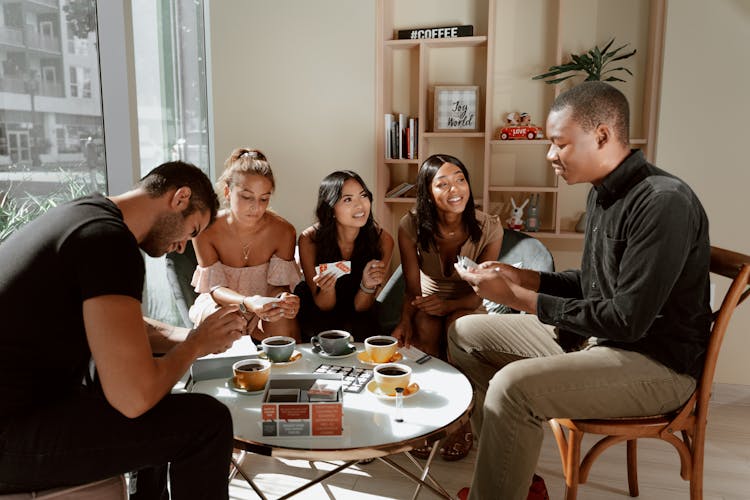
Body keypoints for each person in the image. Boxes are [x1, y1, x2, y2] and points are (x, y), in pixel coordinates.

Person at [450, 81, 711, 500]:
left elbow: (627, 320)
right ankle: (514, 481)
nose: (551, 155)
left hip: (657, 364)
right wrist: (520, 277)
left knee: (511, 388)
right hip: (599, 340)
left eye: (559, 144)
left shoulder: (663, 202)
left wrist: (516, 299)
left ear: (602, 135)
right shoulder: (602, 194)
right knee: (465, 334)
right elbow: (591, 286)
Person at [0, 161, 247, 499]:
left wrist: (196, 335)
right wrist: (194, 345)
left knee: (152, 397)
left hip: (25, 409)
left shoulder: (86, 216)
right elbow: (134, 399)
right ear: (180, 198)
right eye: (192, 230)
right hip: (12, 437)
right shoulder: (109, 242)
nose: (182, 246)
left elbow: (120, 329)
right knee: (208, 422)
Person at [392, 154, 503, 461]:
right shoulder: (410, 225)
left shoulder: (490, 227)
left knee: (459, 330)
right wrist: (407, 319)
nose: (455, 189)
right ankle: (429, 419)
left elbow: (482, 292)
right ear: (428, 192)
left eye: (460, 179)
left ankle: (461, 423)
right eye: (442, 184)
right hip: (425, 299)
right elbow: (411, 286)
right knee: (425, 329)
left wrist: (450, 305)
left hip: (468, 300)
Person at [189, 148, 302, 342]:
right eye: (247, 197)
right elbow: (215, 289)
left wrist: (282, 298)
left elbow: (278, 286)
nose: (255, 207)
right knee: (227, 322)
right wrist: (247, 304)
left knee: (281, 319)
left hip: (264, 304)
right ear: (227, 191)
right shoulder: (206, 231)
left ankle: (288, 372)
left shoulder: (284, 231)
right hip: (223, 303)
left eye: (264, 199)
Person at [295, 170, 394, 342]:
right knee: (324, 331)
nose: (360, 205)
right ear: (331, 208)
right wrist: (327, 289)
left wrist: (366, 285)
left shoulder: (383, 240)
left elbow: (361, 307)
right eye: (348, 199)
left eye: (363, 196)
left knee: (362, 329)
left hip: (360, 311)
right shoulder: (309, 239)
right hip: (319, 310)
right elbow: (322, 305)